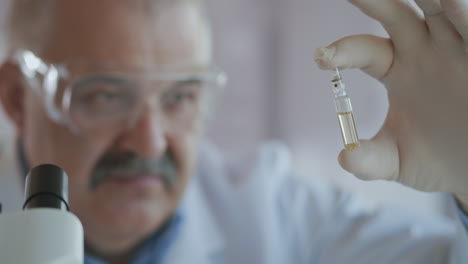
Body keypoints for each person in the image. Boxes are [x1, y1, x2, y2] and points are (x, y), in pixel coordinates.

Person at [0, 0, 466, 263]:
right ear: (19, 97)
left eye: (180, 96)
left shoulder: (278, 218)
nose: (149, 142)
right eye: (104, 95)